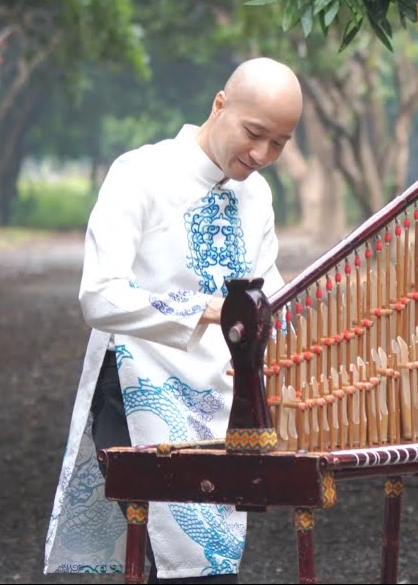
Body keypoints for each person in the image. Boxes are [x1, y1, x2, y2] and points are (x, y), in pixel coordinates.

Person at [43, 57, 304, 582]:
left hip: (223, 406)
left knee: (208, 566)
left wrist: (287, 340)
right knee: (184, 567)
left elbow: (269, 292)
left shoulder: (256, 194)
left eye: (279, 143)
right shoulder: (140, 173)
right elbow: (98, 296)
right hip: (138, 393)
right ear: (219, 104)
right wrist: (206, 310)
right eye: (255, 134)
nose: (262, 155)